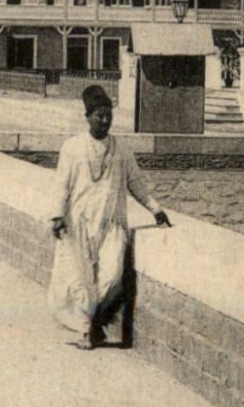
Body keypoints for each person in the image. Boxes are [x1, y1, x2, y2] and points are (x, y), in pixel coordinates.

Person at [48, 85, 170, 350]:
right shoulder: (72, 148)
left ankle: (94, 323)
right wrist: (57, 216)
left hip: (112, 224)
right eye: (99, 116)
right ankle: (86, 330)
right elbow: (61, 185)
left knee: (112, 276)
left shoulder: (122, 150)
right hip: (78, 223)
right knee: (80, 281)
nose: (104, 121)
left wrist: (155, 208)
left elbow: (135, 183)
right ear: (87, 116)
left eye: (108, 116)